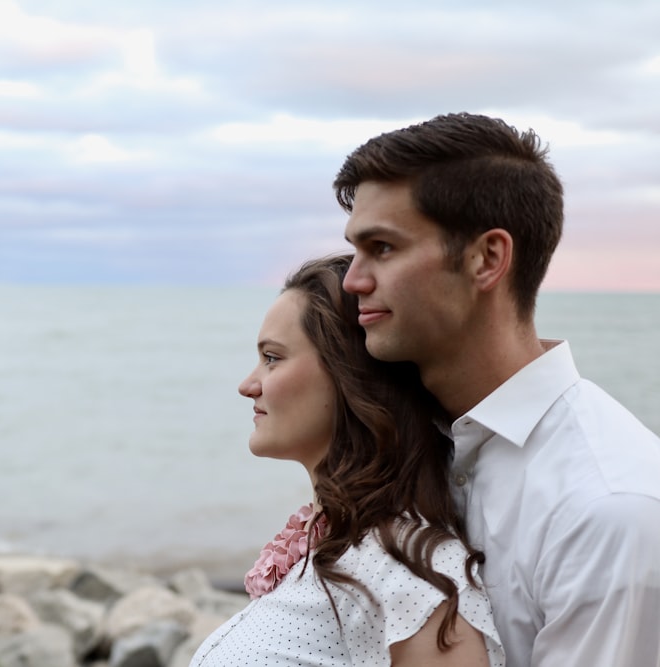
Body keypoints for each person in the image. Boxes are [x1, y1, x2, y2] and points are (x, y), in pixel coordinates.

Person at [334, 112, 660, 667]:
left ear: (487, 258)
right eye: (356, 250)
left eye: (383, 248)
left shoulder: (608, 509)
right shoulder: (400, 438)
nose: (353, 280)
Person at [190, 254, 504, 666]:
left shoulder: (412, 570)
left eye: (272, 358)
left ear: (348, 376)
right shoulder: (339, 543)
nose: (248, 385)